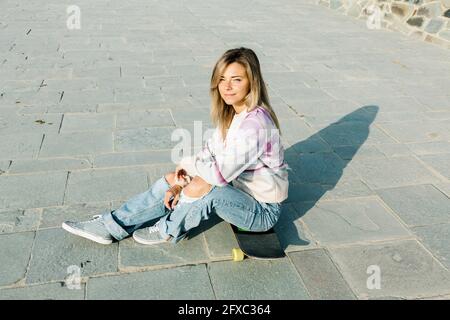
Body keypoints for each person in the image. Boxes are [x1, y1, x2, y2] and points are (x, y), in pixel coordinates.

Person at [62, 47, 289, 246]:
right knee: (175, 178)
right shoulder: (233, 115)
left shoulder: (255, 125)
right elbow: (209, 153)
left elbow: (219, 175)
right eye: (222, 79)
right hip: (239, 191)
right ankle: (112, 225)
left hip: (261, 210)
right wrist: (180, 182)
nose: (226, 87)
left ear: (252, 81)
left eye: (236, 79)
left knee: (207, 187)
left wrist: (191, 178)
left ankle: (167, 229)